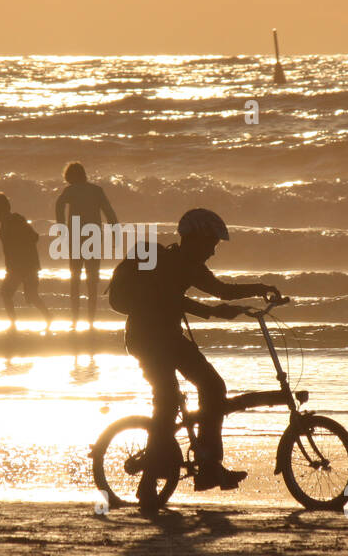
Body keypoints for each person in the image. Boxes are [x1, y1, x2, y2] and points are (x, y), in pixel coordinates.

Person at [119, 208, 280, 513]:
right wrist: (213, 312)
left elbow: (222, 290)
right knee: (166, 403)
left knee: (213, 386)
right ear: (195, 239)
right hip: (146, 340)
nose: (213, 251)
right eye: (211, 243)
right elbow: (171, 300)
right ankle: (148, 482)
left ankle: (209, 464)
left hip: (170, 338)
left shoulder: (191, 266)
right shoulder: (166, 263)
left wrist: (260, 288)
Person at [54, 162, 118, 331]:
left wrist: (61, 227)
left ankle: (75, 320)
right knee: (92, 280)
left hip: (76, 237)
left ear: (71, 176)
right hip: (94, 237)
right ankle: (90, 320)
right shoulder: (96, 190)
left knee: (75, 279)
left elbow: (58, 205)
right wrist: (115, 234)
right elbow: (109, 212)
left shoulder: (70, 190)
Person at [0, 192, 52, 332]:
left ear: (3, 209)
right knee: (22, 294)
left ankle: (38, 319)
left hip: (24, 265)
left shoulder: (15, 220)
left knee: (16, 294)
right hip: (19, 265)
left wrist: (21, 247)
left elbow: (34, 237)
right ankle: (21, 322)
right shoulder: (6, 223)